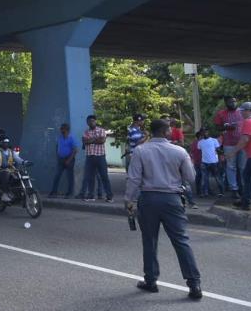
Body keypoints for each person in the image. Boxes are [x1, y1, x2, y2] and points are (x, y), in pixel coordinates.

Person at [125, 118, 202, 300]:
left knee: (149, 241)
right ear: (165, 131)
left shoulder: (141, 150)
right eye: (169, 129)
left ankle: (151, 281)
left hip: (148, 199)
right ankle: (194, 284)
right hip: (172, 199)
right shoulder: (179, 151)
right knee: (181, 241)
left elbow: (134, 178)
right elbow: (190, 177)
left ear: (152, 132)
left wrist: (128, 199)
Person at [214, 96, 244, 198]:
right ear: (226, 103)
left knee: (242, 166)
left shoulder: (242, 112)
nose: (233, 103)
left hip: (243, 143)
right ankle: (234, 189)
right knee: (231, 167)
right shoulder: (221, 113)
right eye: (230, 102)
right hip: (229, 144)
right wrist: (226, 127)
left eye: (234, 101)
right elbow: (217, 127)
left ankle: (243, 188)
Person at [228, 102, 251, 211]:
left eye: (242, 111)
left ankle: (246, 203)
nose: (241, 113)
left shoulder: (249, 122)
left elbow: (245, 139)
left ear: (248, 111)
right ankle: (246, 200)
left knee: (247, 178)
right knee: (248, 176)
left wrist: (233, 152)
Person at [80, 115, 113, 202]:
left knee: (104, 176)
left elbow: (102, 141)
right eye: (89, 121)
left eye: (92, 121)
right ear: (87, 122)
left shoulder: (101, 130)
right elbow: (84, 141)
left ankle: (109, 196)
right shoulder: (86, 132)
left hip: (100, 156)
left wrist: (90, 140)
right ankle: (91, 196)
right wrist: (95, 139)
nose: (91, 123)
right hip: (89, 157)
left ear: (95, 121)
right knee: (90, 177)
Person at [0, 136, 26, 201]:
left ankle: (19, 191)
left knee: (21, 173)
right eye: (4, 143)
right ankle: (5, 194)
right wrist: (1, 165)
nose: (6, 144)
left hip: (10, 170)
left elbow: (17, 158)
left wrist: (24, 162)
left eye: (7, 142)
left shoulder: (11, 151)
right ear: (1, 143)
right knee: (6, 174)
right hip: (0, 171)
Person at [49, 123, 78, 198]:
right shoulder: (60, 138)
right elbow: (57, 146)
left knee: (70, 177)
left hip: (69, 159)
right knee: (57, 176)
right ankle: (54, 192)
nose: (61, 130)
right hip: (61, 159)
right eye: (61, 129)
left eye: (62, 129)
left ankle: (70, 193)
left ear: (67, 130)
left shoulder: (71, 138)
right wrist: (58, 155)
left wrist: (69, 160)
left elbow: (75, 150)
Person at [197, 129, 223, 197]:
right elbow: (200, 151)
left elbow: (218, 150)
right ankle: (204, 193)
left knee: (217, 178)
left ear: (208, 132)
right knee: (204, 179)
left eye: (205, 132)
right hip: (204, 162)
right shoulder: (200, 142)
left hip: (214, 162)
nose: (204, 133)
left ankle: (221, 192)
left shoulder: (214, 140)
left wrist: (220, 161)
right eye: (203, 132)